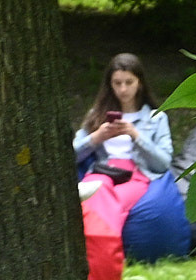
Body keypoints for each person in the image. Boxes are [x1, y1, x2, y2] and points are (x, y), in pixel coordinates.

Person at [72, 53, 174, 184]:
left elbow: (163, 163)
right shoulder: (96, 115)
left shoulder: (156, 118)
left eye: (129, 82)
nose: (123, 89)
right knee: (96, 190)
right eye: (117, 83)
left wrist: (136, 135)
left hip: (137, 177)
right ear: (110, 85)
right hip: (103, 173)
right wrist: (96, 137)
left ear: (140, 83)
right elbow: (70, 157)